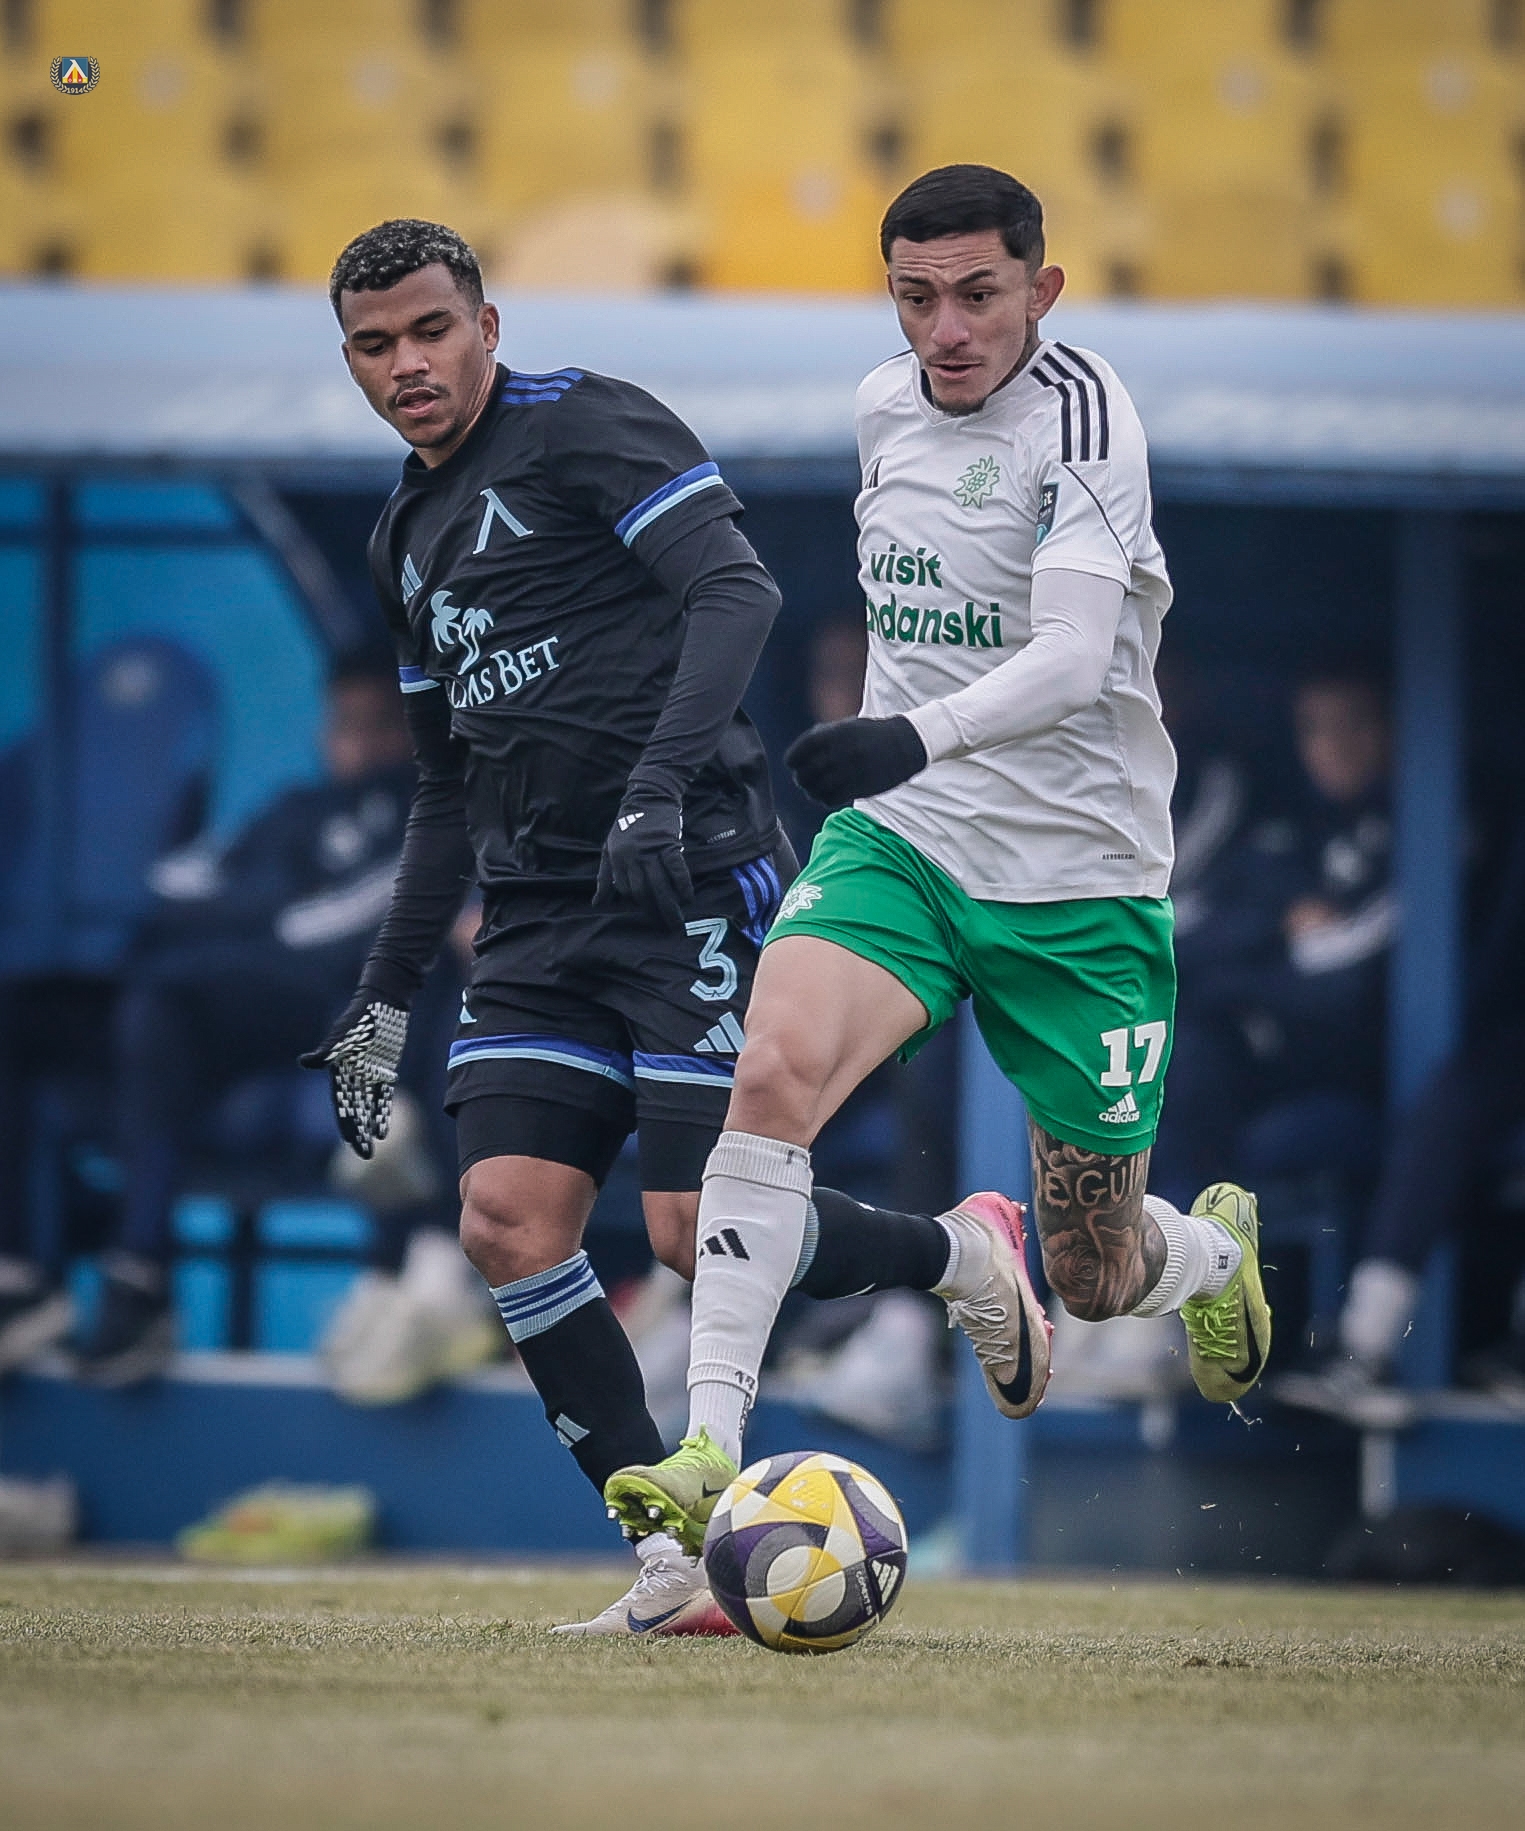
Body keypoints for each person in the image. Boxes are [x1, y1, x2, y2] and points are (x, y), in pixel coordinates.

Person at [304, 220, 1024, 1636]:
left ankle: (958, 1259)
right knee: (507, 1222)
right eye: (375, 346)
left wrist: (653, 788)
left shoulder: (585, 424)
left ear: (485, 327)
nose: (408, 364)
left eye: (431, 330)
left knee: (695, 1230)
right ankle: (672, 1556)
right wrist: (383, 994)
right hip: (533, 917)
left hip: (684, 872)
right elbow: (444, 783)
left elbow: (736, 588)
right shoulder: (400, 536)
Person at [603, 163, 1271, 1554]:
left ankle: (1210, 1255)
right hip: (907, 839)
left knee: (1095, 1271)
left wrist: (909, 732)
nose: (946, 329)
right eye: (916, 297)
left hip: (1079, 878)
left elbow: (1075, 658)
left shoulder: (1083, 416)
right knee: (770, 1077)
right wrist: (907, 762)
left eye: (977, 295)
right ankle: (710, 1445)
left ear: (1043, 288)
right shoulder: (879, 409)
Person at [52, 656, 457, 1385]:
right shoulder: (292, 808)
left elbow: (359, 918)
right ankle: (136, 1272)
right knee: (149, 1004)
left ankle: (403, 1277)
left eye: (380, 725)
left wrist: (256, 914)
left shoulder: (437, 811)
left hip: (358, 1005)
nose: (359, 744)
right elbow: (171, 888)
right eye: (344, 724)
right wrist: (265, 912)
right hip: (265, 1000)